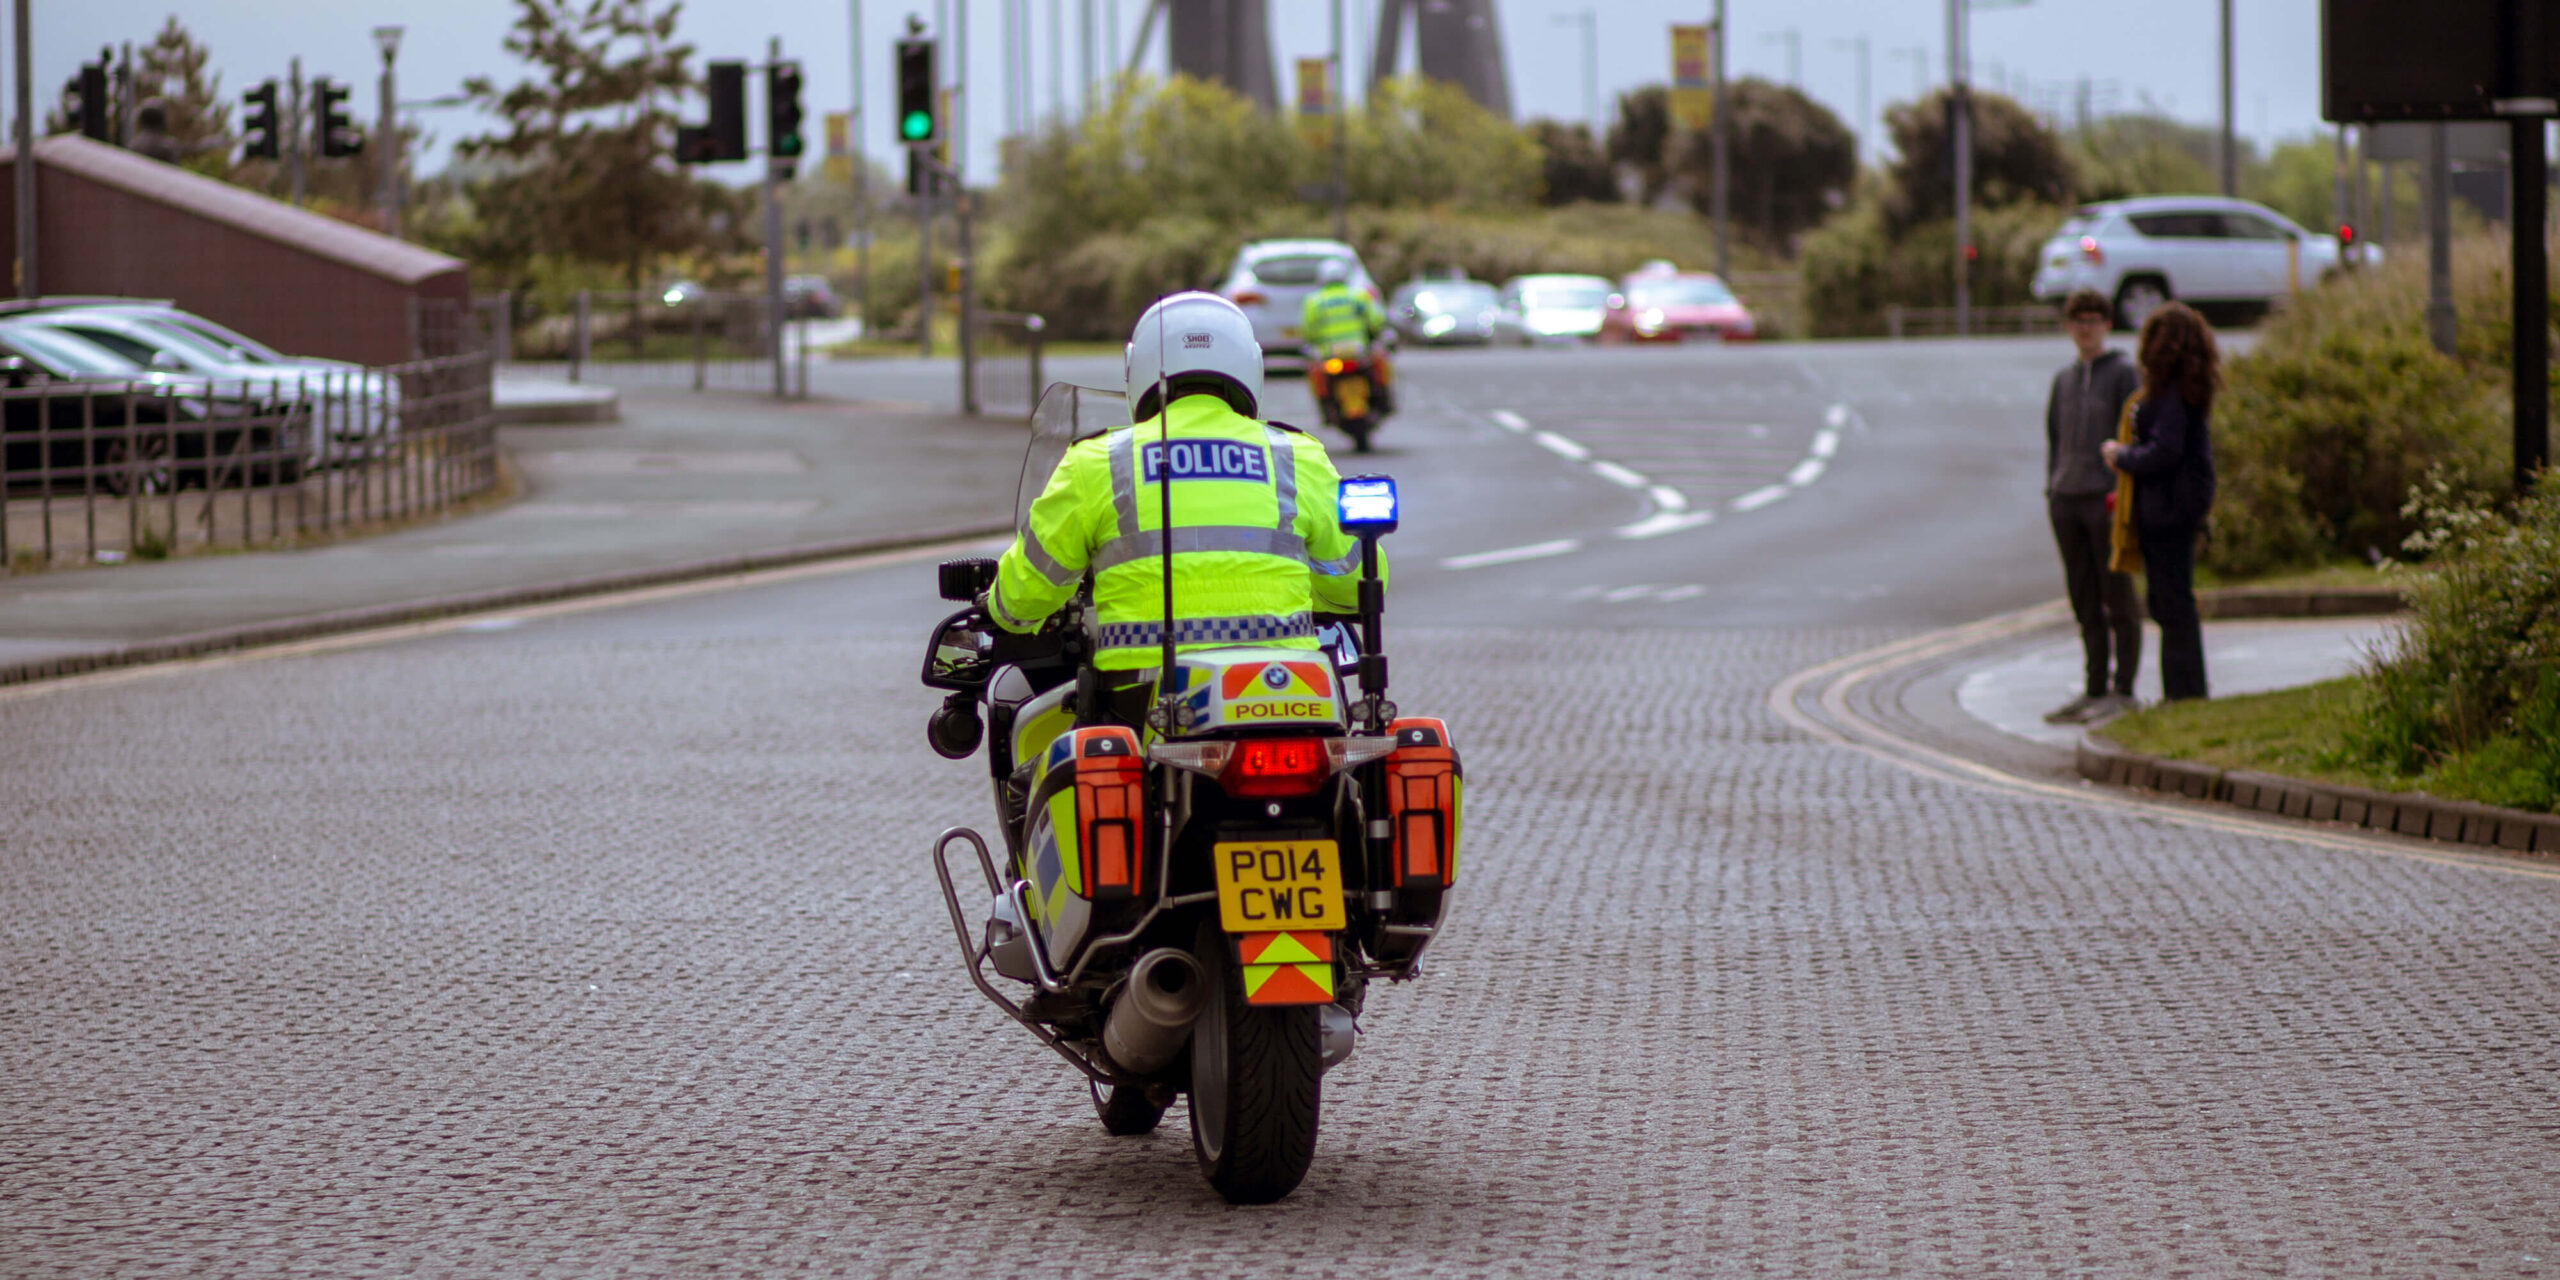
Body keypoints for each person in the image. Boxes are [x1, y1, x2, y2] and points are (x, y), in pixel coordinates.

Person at [987, 291, 1380, 699]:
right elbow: (1360, 584)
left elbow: (1024, 597)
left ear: (1135, 369)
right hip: (1284, 689)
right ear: (1253, 366)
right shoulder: (1296, 454)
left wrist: (997, 606)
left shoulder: (1098, 460)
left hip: (1142, 696)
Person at [2103, 301, 2220, 702]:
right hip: (2178, 507)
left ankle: (2183, 693)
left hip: (2167, 510)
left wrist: (2122, 456)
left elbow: (2163, 452)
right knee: (2173, 603)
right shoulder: (2188, 387)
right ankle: (2186, 690)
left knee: (2171, 605)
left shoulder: (2171, 394)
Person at [2041, 288, 2145, 724]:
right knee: (2084, 599)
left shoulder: (2123, 374)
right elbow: (2054, 438)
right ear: (2068, 327)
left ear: (2107, 324)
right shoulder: (2063, 380)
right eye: (2078, 320)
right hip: (2067, 497)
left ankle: (2124, 689)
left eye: (2094, 319)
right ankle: (2093, 686)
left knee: (2117, 595)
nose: (2086, 328)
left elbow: (2137, 433)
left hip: (2105, 500)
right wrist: (2053, 488)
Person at [1300, 258, 1394, 415]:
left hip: (1329, 354)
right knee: (1380, 362)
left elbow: (1308, 331)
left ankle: (1325, 406)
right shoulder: (1358, 296)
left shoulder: (1314, 302)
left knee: (1315, 372)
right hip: (1359, 352)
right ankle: (1385, 398)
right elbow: (1376, 321)